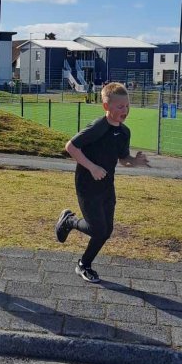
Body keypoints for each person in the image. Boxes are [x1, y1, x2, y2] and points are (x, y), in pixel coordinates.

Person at [54, 81, 150, 283]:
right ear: (106, 106)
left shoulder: (124, 132)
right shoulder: (99, 126)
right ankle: (69, 221)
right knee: (97, 229)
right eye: (120, 106)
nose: (125, 110)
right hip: (86, 185)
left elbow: (123, 159)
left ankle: (84, 264)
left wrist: (135, 161)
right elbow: (71, 147)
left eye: (127, 106)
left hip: (107, 186)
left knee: (106, 231)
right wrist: (92, 167)